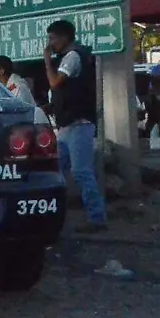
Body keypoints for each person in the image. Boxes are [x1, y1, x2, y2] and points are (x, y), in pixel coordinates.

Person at [43, 20, 108, 232]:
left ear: (63, 38)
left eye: (53, 38)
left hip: (78, 124)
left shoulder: (72, 57)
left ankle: (97, 218)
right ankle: (56, 212)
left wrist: (46, 60)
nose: (51, 43)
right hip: (67, 125)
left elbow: (55, 82)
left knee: (81, 172)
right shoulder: (68, 58)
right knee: (56, 169)